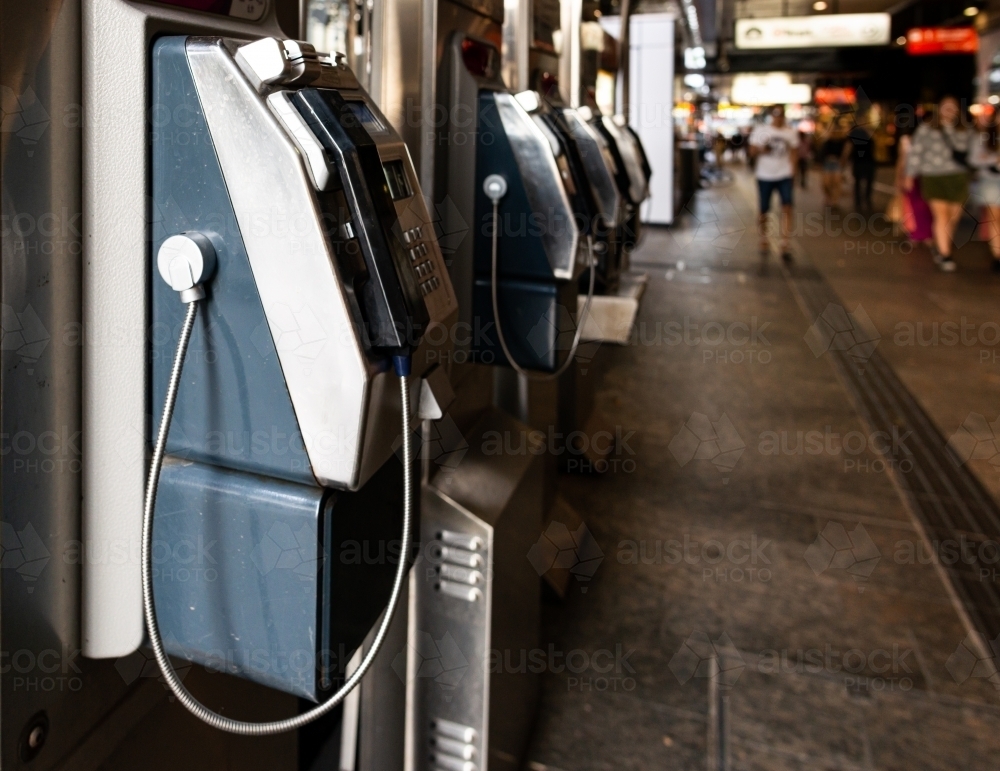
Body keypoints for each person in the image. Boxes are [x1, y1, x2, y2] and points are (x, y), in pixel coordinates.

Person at [903, 96, 971, 272]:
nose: (949, 109)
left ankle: (942, 245)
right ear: (938, 109)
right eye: (946, 106)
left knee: (953, 217)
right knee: (941, 216)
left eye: (953, 106)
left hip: (957, 178)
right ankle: (945, 254)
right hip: (933, 177)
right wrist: (910, 175)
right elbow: (916, 153)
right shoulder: (926, 129)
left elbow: (974, 152)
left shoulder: (966, 130)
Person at [749, 105, 799, 261]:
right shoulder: (760, 130)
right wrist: (761, 150)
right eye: (775, 114)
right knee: (764, 209)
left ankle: (785, 241)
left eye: (781, 114)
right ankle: (763, 238)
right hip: (764, 175)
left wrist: (793, 173)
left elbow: (794, 153)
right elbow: (751, 151)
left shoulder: (791, 132)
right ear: (771, 115)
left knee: (787, 206)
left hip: (784, 174)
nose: (778, 117)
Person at [968, 110, 1000, 272]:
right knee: (995, 219)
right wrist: (994, 159)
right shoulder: (983, 136)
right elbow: (973, 158)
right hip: (990, 181)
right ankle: (997, 256)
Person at [895, 123, 933, 245]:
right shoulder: (929, 139)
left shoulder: (906, 140)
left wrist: (899, 176)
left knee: (916, 205)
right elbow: (902, 160)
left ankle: (918, 234)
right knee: (923, 205)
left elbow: (902, 160)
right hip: (921, 175)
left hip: (916, 176)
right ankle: (924, 234)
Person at [846, 113, 877, 211]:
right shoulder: (854, 133)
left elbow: (876, 143)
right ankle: (858, 202)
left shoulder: (869, 132)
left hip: (868, 160)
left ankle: (866, 199)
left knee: (868, 181)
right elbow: (848, 147)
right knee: (858, 182)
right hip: (858, 160)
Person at [819, 123, 848, 209]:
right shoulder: (827, 141)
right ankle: (828, 196)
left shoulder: (843, 141)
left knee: (836, 183)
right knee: (826, 183)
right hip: (827, 163)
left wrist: (843, 161)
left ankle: (835, 200)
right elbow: (822, 153)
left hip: (837, 163)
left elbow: (845, 152)